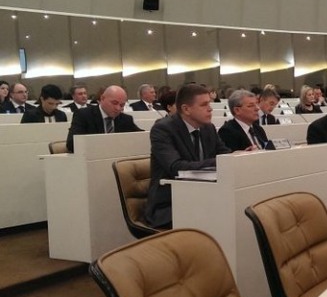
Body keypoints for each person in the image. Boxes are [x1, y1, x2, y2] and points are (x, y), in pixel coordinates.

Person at [145, 84, 231, 228]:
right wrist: (221, 161)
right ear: (186, 109)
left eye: (209, 103)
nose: (210, 109)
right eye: (204, 105)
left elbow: (224, 154)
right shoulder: (163, 129)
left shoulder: (208, 128)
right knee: (222, 216)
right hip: (171, 204)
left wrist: (238, 157)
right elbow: (176, 167)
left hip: (203, 197)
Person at [65, 85, 142, 152]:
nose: (118, 108)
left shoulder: (126, 119)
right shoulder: (83, 115)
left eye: (122, 105)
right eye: (114, 103)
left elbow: (142, 137)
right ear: (102, 98)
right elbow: (71, 144)